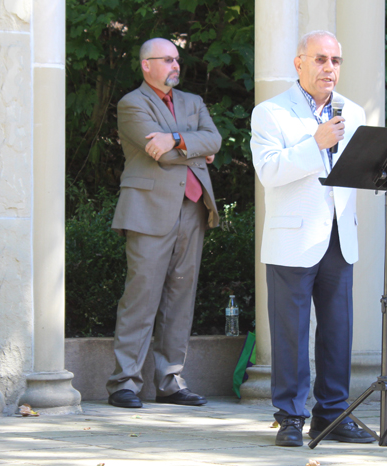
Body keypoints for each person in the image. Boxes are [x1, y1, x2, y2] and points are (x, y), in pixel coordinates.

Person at [251, 30, 375, 447]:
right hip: (293, 240)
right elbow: (269, 172)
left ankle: (333, 415)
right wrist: (315, 144)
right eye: (320, 59)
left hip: (340, 236)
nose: (329, 68)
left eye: (336, 61)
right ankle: (289, 417)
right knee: (291, 331)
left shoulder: (353, 112)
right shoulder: (271, 113)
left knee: (338, 329)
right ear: (299, 63)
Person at [106, 37, 221, 408]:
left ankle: (170, 381)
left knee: (180, 298)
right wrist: (196, 148)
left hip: (193, 207)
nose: (175, 65)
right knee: (141, 297)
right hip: (147, 209)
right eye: (167, 60)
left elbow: (215, 138)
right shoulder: (131, 104)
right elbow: (165, 157)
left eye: (177, 59)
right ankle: (124, 383)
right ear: (146, 65)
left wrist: (174, 139)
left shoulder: (194, 102)